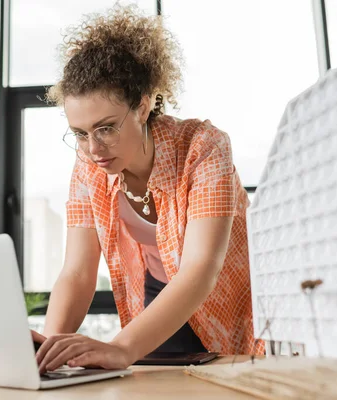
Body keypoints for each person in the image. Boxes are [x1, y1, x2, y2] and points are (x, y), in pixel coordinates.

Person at [32, 5, 263, 374]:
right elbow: (77, 272)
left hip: (224, 298)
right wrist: (45, 353)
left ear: (142, 106)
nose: (93, 149)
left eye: (106, 128)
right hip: (159, 299)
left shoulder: (204, 147)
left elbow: (202, 267)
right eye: (79, 134)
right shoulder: (88, 168)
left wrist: (122, 347)